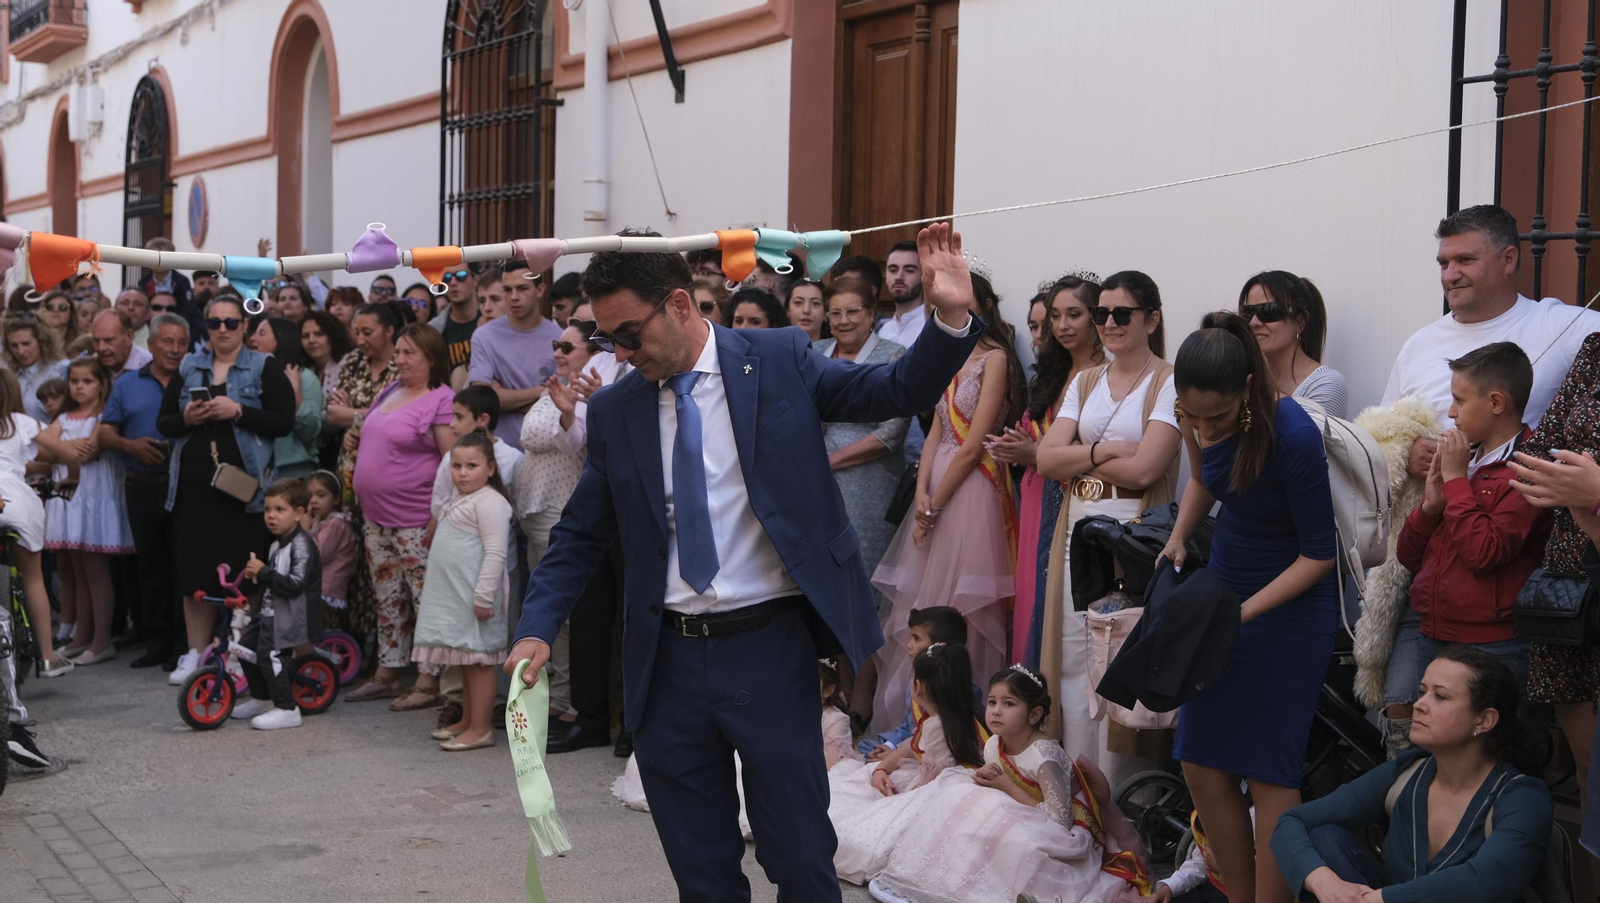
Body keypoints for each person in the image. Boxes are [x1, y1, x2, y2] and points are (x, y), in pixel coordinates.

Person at [505, 223, 983, 901]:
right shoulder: (616, 409)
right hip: (665, 660)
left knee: (801, 857)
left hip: (767, 646)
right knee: (702, 873)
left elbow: (894, 390)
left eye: (629, 334)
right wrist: (535, 623)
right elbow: (580, 534)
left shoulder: (779, 358)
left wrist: (951, 316)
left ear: (678, 305)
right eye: (607, 337)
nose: (618, 352)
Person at [1162, 311, 1337, 903]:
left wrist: (1242, 615)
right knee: (1201, 761)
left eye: (1217, 418)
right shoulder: (1193, 413)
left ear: (1246, 391)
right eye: (1193, 416)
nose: (1205, 429)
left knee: (1269, 771)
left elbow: (1319, 556)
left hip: (1289, 609)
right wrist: (1180, 533)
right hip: (1226, 586)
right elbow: (1204, 477)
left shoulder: (1292, 434)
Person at [1033, 270, 1181, 780]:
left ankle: (1121, 796)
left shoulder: (1169, 380)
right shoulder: (1086, 379)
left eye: (1123, 314)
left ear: (1152, 318)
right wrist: (1105, 449)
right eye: (1103, 314)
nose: (1109, 323)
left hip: (1132, 530)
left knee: (1117, 656)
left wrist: (1078, 457)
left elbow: (1147, 470)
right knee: (1073, 658)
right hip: (1078, 526)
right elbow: (1045, 460)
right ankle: (1079, 788)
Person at [1271, 646, 1553, 903]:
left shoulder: (1522, 796)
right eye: (1422, 691)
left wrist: (1378, 899)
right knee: (1324, 841)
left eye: (1440, 696)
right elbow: (1292, 821)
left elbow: (1486, 881)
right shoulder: (1407, 771)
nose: (1419, 704)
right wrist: (1322, 880)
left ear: (1484, 720)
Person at [870, 272, 1019, 737]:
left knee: (963, 607)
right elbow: (934, 430)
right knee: (923, 603)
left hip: (970, 490)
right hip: (933, 486)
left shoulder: (995, 358)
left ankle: (961, 724)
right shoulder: (944, 355)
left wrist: (934, 502)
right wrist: (920, 496)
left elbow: (975, 444)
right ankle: (912, 726)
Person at [871, 665, 1148, 903]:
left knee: (1015, 840)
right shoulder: (994, 744)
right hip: (1022, 812)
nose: (996, 711)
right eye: (992, 702)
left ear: (1035, 714)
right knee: (957, 794)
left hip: (1067, 832)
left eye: (1009, 703)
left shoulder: (1045, 756)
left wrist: (1005, 786)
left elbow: (1060, 822)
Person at [159, 296, 296, 687]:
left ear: (245, 327)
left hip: (243, 492)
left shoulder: (263, 366)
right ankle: (195, 652)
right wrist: (187, 417)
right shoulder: (189, 366)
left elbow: (283, 421)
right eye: (215, 322)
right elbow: (165, 422)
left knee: (244, 575)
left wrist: (238, 411)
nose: (222, 329)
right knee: (194, 571)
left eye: (231, 323)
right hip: (192, 489)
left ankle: (238, 652)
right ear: (205, 325)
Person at [1396, 342, 1548, 687]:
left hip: (1496, 645)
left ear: (1496, 402)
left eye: (1460, 400)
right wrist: (1430, 509)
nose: (1451, 412)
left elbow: (1484, 552)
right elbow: (1408, 557)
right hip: (1433, 632)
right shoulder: (1464, 461)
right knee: (1434, 737)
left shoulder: (1529, 469)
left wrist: (1454, 481)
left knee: (1497, 740)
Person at [612, 657, 859, 839]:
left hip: (817, 764)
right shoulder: (785, 707)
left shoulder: (834, 719)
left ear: (828, 690)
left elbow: (835, 759)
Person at [990, 274, 1104, 664]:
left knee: (1061, 598)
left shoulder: (1107, 375)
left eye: (1074, 314)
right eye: (1055, 316)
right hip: (1037, 493)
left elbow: (1097, 448)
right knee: (1033, 594)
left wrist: (1035, 452)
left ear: (1096, 317)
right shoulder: (1052, 373)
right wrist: (1015, 448)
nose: (1062, 325)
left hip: (1077, 497)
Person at [1509, 328, 1600, 802]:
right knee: (1588, 767)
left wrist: (1595, 491)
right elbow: (1537, 452)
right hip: (1573, 587)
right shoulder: (1596, 349)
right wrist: (1571, 485)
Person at [346, 324, 456, 710]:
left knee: (424, 600)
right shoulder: (390, 389)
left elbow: (451, 463)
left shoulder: (441, 400)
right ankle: (388, 673)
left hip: (415, 519)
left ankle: (428, 681)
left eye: (410, 353)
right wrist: (355, 435)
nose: (401, 359)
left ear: (431, 359)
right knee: (387, 597)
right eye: (400, 352)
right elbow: (370, 429)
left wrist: (439, 514)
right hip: (376, 517)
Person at [513, 323, 612, 751]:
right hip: (579, 514)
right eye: (556, 344)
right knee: (584, 620)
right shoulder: (572, 382)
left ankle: (618, 724)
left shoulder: (607, 371)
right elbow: (569, 440)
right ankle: (585, 716)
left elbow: (543, 437)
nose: (558, 352)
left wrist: (590, 404)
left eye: (566, 346)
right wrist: (569, 413)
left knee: (611, 623)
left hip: (606, 509)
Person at [829, 641, 985, 886]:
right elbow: (909, 749)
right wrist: (882, 768)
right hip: (921, 777)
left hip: (930, 791)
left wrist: (898, 801)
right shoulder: (940, 719)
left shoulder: (939, 726)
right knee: (859, 777)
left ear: (919, 686)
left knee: (856, 828)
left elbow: (930, 785)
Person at [97, 313, 188, 669]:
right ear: (150, 346)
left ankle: (184, 644)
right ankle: (158, 643)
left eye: (182, 343)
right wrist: (132, 446)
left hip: (185, 488)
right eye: (168, 342)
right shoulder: (128, 384)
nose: (176, 350)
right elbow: (105, 433)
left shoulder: (196, 379)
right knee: (150, 568)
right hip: (142, 487)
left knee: (183, 567)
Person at [414, 432, 513, 751]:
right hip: (458, 600)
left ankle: (481, 728)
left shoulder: (491, 502)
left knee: (479, 661)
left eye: (472, 465)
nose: (463, 472)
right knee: (467, 660)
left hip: (475, 600)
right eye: (456, 465)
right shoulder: (460, 499)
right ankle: (468, 721)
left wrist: (484, 596)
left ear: (491, 469)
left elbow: (496, 552)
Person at [815, 277, 909, 602]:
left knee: (863, 579)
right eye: (835, 313)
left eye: (852, 311)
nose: (844, 321)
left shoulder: (894, 355)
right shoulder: (813, 353)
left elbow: (892, 432)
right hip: (815, 483)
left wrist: (829, 463)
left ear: (871, 315)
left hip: (871, 483)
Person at [40, 358, 135, 665]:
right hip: (71, 498)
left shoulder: (104, 417)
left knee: (96, 572)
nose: (79, 387)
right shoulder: (65, 416)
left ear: (102, 384)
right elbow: (41, 449)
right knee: (79, 571)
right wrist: (64, 448)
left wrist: (61, 448)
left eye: (87, 381)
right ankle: (81, 637)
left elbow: (87, 451)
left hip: (95, 496)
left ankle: (101, 640)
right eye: (75, 381)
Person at [232, 478, 322, 731]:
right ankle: (262, 699)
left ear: (299, 513)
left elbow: (295, 584)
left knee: (269, 653)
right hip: (270, 612)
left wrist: (264, 573)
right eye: (268, 509)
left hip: (292, 615)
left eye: (279, 510)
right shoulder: (276, 543)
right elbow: (274, 580)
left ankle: (287, 708)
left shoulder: (302, 545)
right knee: (246, 648)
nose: (271, 516)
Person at [0, 370, 72, 678]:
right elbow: (67, 452)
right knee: (32, 578)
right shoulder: (20, 422)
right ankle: (46, 657)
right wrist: (75, 475)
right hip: (15, 503)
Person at [468, 258, 560, 447]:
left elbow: (561, 400)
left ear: (540, 290)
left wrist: (503, 395)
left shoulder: (560, 338)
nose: (514, 297)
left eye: (522, 288)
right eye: (508, 290)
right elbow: (482, 399)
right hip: (499, 452)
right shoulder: (484, 336)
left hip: (547, 450)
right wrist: (539, 392)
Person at [856, 606, 967, 758]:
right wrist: (889, 746)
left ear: (940, 646)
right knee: (864, 747)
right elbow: (908, 727)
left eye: (916, 638)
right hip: (909, 742)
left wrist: (897, 754)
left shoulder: (959, 689)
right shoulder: (917, 682)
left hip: (932, 752)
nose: (909, 645)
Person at [1238, 271, 1347, 418]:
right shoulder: (1242, 374)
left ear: (1300, 322)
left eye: (1268, 311)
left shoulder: (1327, 383)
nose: (1254, 323)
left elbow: (1306, 439)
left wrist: (1262, 384)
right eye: (1248, 313)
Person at [248, 317, 323, 479]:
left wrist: (295, 391)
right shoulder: (248, 376)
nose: (253, 338)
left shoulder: (305, 378)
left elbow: (310, 432)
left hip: (295, 474)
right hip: (255, 471)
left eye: (261, 333)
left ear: (280, 339)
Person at [304, 470, 358, 617]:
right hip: (315, 589)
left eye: (321, 495)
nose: (313, 501)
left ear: (336, 499)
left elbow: (316, 555)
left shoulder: (335, 524)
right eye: (309, 496)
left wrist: (304, 529)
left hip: (325, 592)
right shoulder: (318, 521)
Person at [4, 315, 69, 424]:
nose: (20, 351)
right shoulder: (10, 376)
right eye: (14, 345)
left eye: (26, 344)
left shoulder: (59, 371)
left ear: (41, 341)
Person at [428, 267, 479, 376]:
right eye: (446, 278)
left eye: (461, 276)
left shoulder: (493, 318)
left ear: (475, 280)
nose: (453, 283)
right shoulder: (433, 331)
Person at [877, 241, 926, 348]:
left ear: (924, 275)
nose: (899, 277)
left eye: (909, 270)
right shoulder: (883, 331)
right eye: (893, 270)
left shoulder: (931, 326)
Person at [90, 309, 154, 380]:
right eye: (96, 341)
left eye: (109, 340)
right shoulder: (91, 365)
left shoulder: (151, 366)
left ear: (129, 337)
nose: (101, 348)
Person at [139, 237, 193, 308]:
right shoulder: (144, 282)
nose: (160, 261)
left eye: (164, 257)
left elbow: (187, 307)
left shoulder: (182, 281)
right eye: (155, 257)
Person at [786, 278, 827, 343]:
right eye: (798, 302)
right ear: (788, 310)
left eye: (815, 303)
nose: (806, 310)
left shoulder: (835, 351)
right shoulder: (774, 349)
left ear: (826, 313)